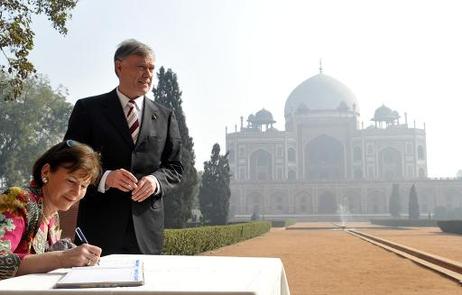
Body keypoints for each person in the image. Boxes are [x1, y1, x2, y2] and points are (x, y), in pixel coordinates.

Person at [64, 39, 183, 255]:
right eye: (141, 67)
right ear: (119, 67)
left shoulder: (165, 116)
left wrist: (155, 181)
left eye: (151, 68)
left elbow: (175, 167)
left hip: (147, 231)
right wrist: (105, 177)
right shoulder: (88, 109)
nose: (148, 74)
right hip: (99, 227)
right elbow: (70, 160)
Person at [0, 140, 102, 280]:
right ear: (46, 172)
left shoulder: (53, 217)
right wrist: (62, 258)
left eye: (84, 186)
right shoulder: (19, 199)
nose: (76, 192)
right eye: (71, 181)